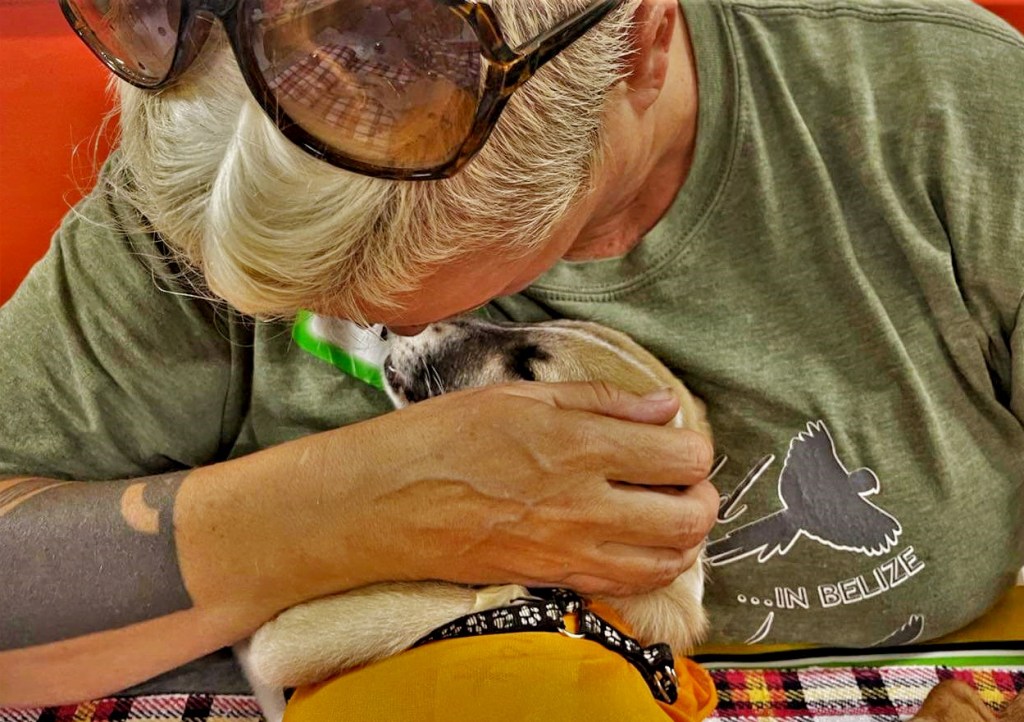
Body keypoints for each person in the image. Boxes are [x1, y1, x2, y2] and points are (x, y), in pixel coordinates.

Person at [1, 0, 1021, 706]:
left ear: (641, 49)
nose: (352, 328)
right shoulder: (209, 153)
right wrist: (351, 509)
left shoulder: (953, 119)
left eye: (399, 293)